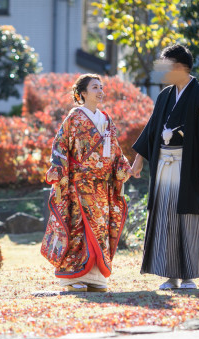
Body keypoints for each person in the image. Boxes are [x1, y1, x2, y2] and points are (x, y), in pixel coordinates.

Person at [130, 44, 199, 290]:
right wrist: (138, 159)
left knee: (188, 216)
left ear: (181, 67)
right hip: (164, 164)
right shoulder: (164, 96)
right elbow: (151, 129)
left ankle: (188, 276)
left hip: (190, 165)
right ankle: (169, 275)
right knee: (164, 216)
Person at [41, 74, 132, 292]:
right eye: (95, 87)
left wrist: (122, 167)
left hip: (102, 186)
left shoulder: (106, 119)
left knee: (99, 229)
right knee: (78, 227)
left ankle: (95, 277)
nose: (100, 91)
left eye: (101, 87)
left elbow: (115, 150)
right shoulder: (75, 117)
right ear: (83, 93)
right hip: (78, 185)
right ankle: (72, 278)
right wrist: (59, 170)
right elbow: (60, 144)